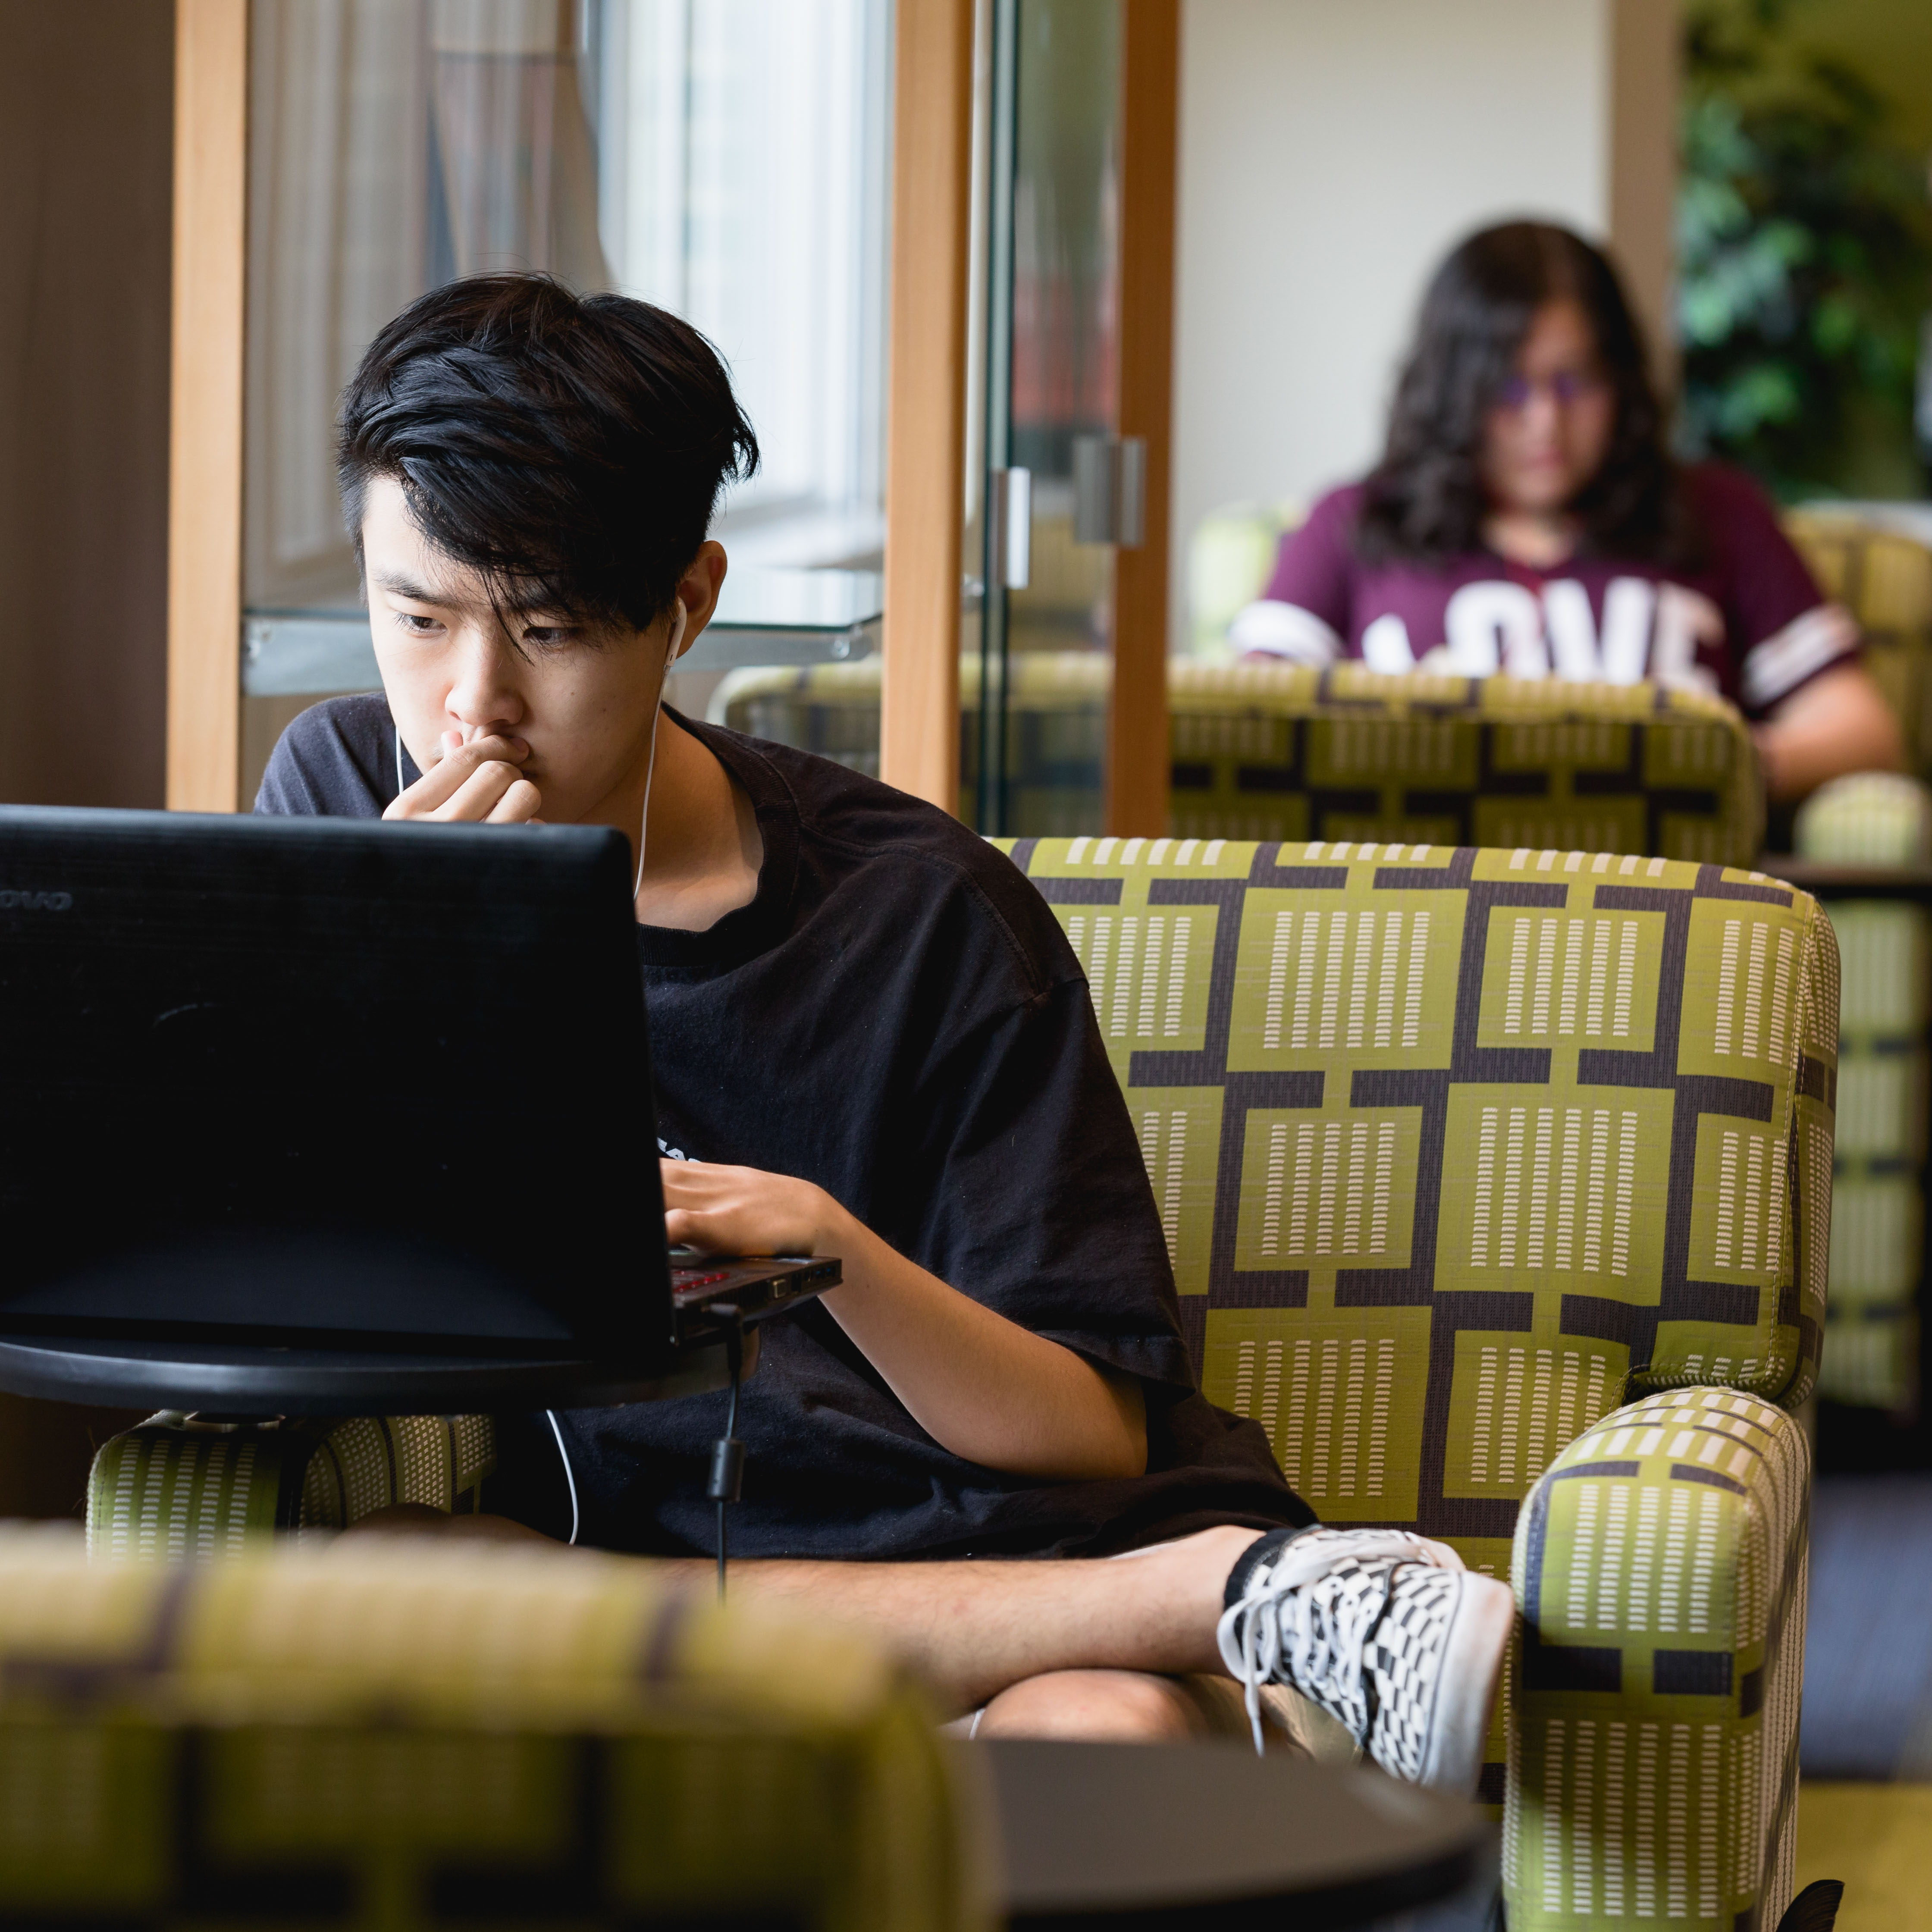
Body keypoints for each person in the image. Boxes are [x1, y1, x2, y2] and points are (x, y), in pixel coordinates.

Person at [256, 273, 1514, 1789]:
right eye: (417, 617)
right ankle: (1231, 1603)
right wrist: (417, 978)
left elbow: (1092, 1436)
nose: (475, 706)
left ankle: (1184, 1607)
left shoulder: (921, 917)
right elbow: (288, 1287)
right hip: (649, 1562)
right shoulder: (346, 806)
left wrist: (823, 1245)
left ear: (687, 604)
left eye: (548, 630)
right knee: (384, 1578)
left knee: (1091, 1738)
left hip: (1003, 1551)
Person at [1229, 221, 1903, 802]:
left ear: (1622, 382)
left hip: (1665, 915)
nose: (1544, 422)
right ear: (1452, 391)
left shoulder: (1715, 512)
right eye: (1508, 388)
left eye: (1575, 382)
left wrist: (1707, 767)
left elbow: (1862, 730)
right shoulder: (1356, 521)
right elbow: (1247, 728)